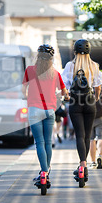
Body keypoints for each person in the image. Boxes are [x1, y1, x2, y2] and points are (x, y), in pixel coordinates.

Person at [22, 44, 69, 187]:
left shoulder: (30, 70)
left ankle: (43, 172)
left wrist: (27, 97)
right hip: (49, 111)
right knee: (48, 142)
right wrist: (65, 96)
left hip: (34, 110)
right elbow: (64, 93)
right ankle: (46, 172)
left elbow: (23, 89)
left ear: (38, 56)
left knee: (39, 142)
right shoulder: (55, 73)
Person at [62, 39, 102, 183]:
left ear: (74, 51)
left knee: (80, 135)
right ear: (89, 51)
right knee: (87, 135)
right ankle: (84, 167)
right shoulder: (94, 66)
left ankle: (82, 166)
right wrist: (96, 97)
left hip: (75, 103)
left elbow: (65, 86)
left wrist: (67, 96)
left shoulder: (70, 66)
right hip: (90, 102)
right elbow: (98, 86)